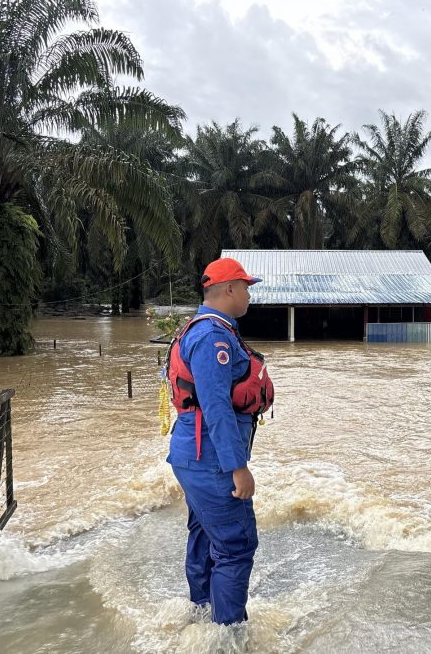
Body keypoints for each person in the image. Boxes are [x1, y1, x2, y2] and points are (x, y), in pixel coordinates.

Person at [165, 257, 274, 625]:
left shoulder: (199, 329)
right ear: (229, 289)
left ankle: (201, 611)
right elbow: (216, 407)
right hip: (211, 459)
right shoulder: (213, 336)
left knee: (203, 533)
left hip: (193, 457)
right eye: (246, 287)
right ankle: (228, 636)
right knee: (235, 546)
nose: (248, 295)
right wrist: (238, 468)